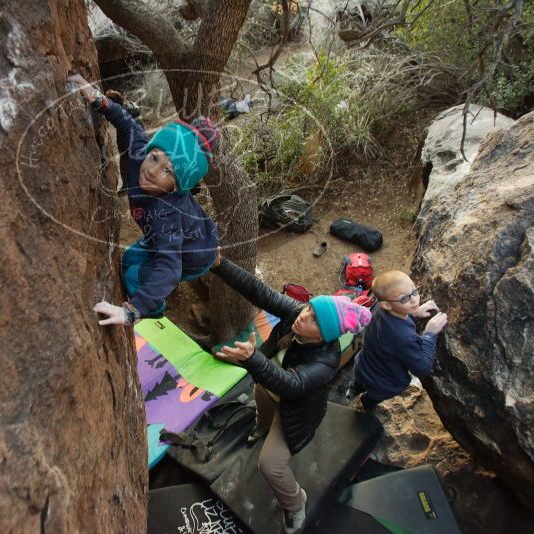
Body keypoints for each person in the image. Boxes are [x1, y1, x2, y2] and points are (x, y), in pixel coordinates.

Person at [211, 253, 371, 534]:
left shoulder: (324, 363)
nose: (304, 316)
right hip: (265, 386)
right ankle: (261, 429)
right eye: (309, 309)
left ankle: (295, 503)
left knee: (271, 465)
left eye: (314, 320)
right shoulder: (298, 314)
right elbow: (259, 292)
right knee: (262, 413)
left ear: (325, 336)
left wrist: (252, 360)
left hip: (295, 410)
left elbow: (290, 385)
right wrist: (221, 265)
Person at [67, 74, 220, 327]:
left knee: (133, 275)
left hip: (190, 256)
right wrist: (99, 100)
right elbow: (128, 125)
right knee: (128, 259)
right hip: (190, 233)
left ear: (176, 187)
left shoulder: (167, 214)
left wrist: (133, 310)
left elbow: (169, 267)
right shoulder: (140, 155)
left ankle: (156, 307)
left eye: (168, 172)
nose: (152, 170)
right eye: (155, 158)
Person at [349, 270, 448, 412]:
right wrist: (429, 335)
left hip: (362, 366)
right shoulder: (404, 337)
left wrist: (413, 313)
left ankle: (353, 390)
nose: (415, 299)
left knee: (360, 383)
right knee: (371, 399)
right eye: (404, 299)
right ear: (387, 305)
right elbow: (422, 368)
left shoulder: (379, 308)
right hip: (383, 384)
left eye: (414, 291)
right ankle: (364, 408)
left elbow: (391, 326)